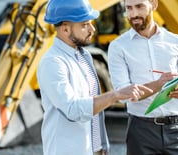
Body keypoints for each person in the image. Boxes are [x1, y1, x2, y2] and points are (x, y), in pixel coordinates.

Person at [37, 0, 152, 155]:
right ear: (65, 29)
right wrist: (115, 95)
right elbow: (73, 109)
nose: (92, 29)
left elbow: (93, 106)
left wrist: (100, 146)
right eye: (85, 24)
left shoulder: (85, 56)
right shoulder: (53, 62)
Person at [108, 0, 178, 155]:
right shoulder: (118, 47)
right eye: (129, 8)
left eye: (139, 6)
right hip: (141, 132)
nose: (133, 14)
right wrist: (159, 84)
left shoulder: (175, 42)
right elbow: (123, 94)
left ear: (153, 4)